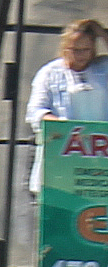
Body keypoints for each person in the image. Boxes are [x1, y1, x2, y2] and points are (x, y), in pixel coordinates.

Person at [26, 18, 108, 194]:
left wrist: (100, 32)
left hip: (98, 170)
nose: (81, 55)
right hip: (60, 165)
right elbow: (36, 111)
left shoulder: (103, 68)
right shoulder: (50, 73)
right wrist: (62, 127)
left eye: (86, 49)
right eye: (75, 50)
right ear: (65, 48)